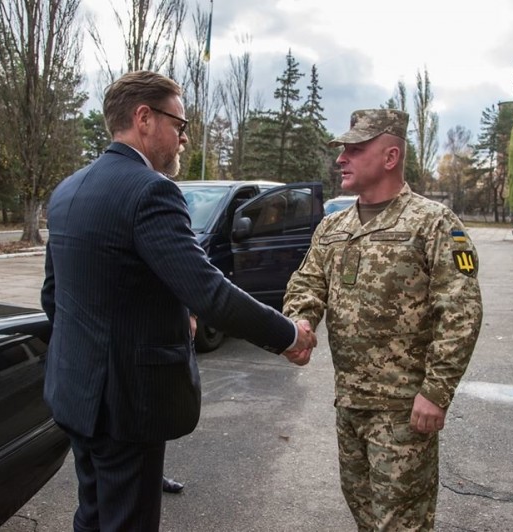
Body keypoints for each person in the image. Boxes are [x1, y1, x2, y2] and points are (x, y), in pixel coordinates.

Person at [40, 70, 316, 532]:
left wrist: (165, 314)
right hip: (127, 404)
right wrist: (288, 334)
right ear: (143, 118)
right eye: (179, 124)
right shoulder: (151, 190)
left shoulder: (68, 189)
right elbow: (209, 291)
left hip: (75, 391)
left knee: (92, 515)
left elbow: (58, 294)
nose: (184, 138)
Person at [282, 108, 483, 531]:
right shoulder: (333, 227)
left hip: (405, 410)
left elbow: (461, 311)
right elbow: (307, 285)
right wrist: (298, 324)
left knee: (401, 524)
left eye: (355, 149)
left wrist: (436, 391)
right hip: (350, 403)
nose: (341, 158)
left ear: (390, 157)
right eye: (343, 150)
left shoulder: (433, 223)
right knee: (366, 516)